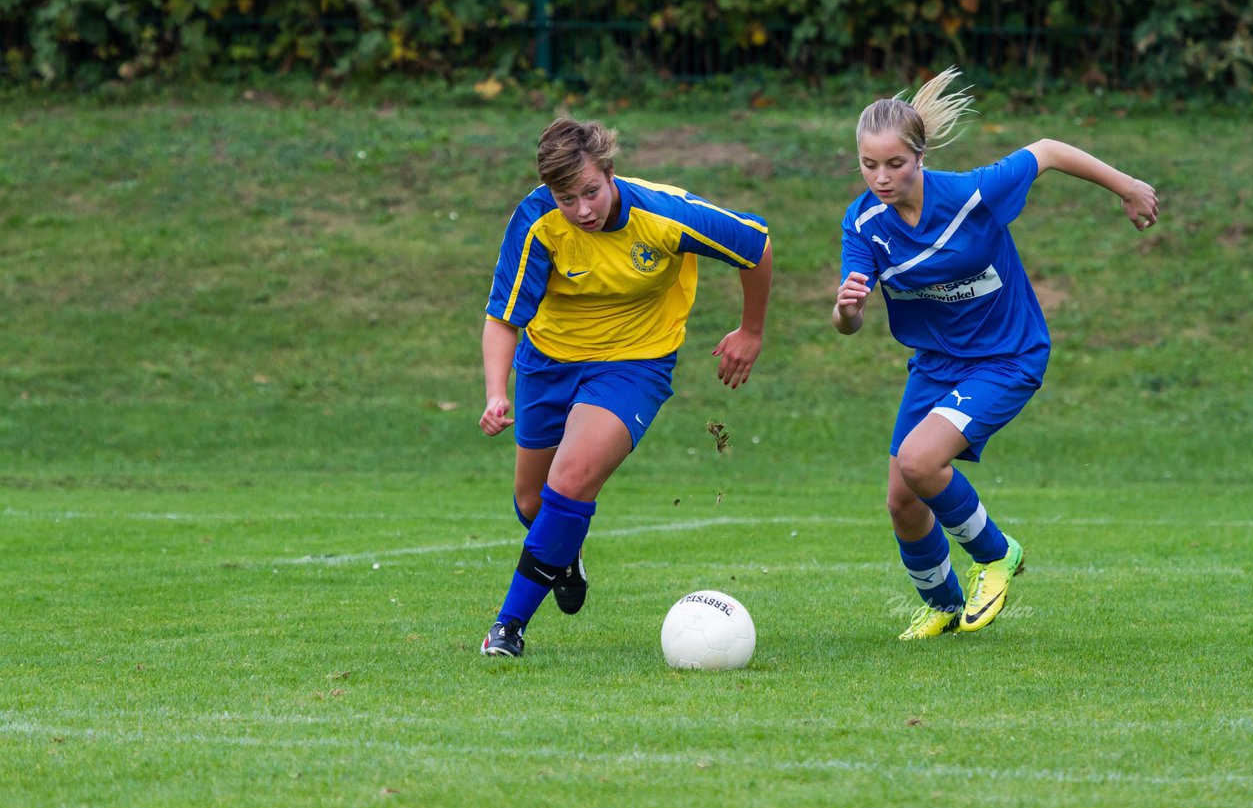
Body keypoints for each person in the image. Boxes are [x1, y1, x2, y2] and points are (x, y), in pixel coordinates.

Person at [832, 68, 1159, 640]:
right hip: (935, 365)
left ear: (920, 156)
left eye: (894, 164)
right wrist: (848, 308)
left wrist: (1128, 186)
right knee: (902, 501)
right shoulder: (863, 225)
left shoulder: (972, 194)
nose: (880, 178)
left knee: (919, 460)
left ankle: (996, 554)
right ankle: (943, 606)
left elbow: (1049, 150)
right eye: (868, 164)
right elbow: (848, 324)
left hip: (1008, 357)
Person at [478, 117, 773, 657]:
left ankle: (507, 627)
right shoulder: (537, 221)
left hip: (634, 365)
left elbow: (755, 243)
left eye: (591, 191)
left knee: (572, 478)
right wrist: (497, 392)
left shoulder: (665, 214)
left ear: (610, 173)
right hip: (548, 361)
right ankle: (564, 552)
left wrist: (750, 330)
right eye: (568, 198)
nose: (583, 209)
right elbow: (503, 317)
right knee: (531, 500)